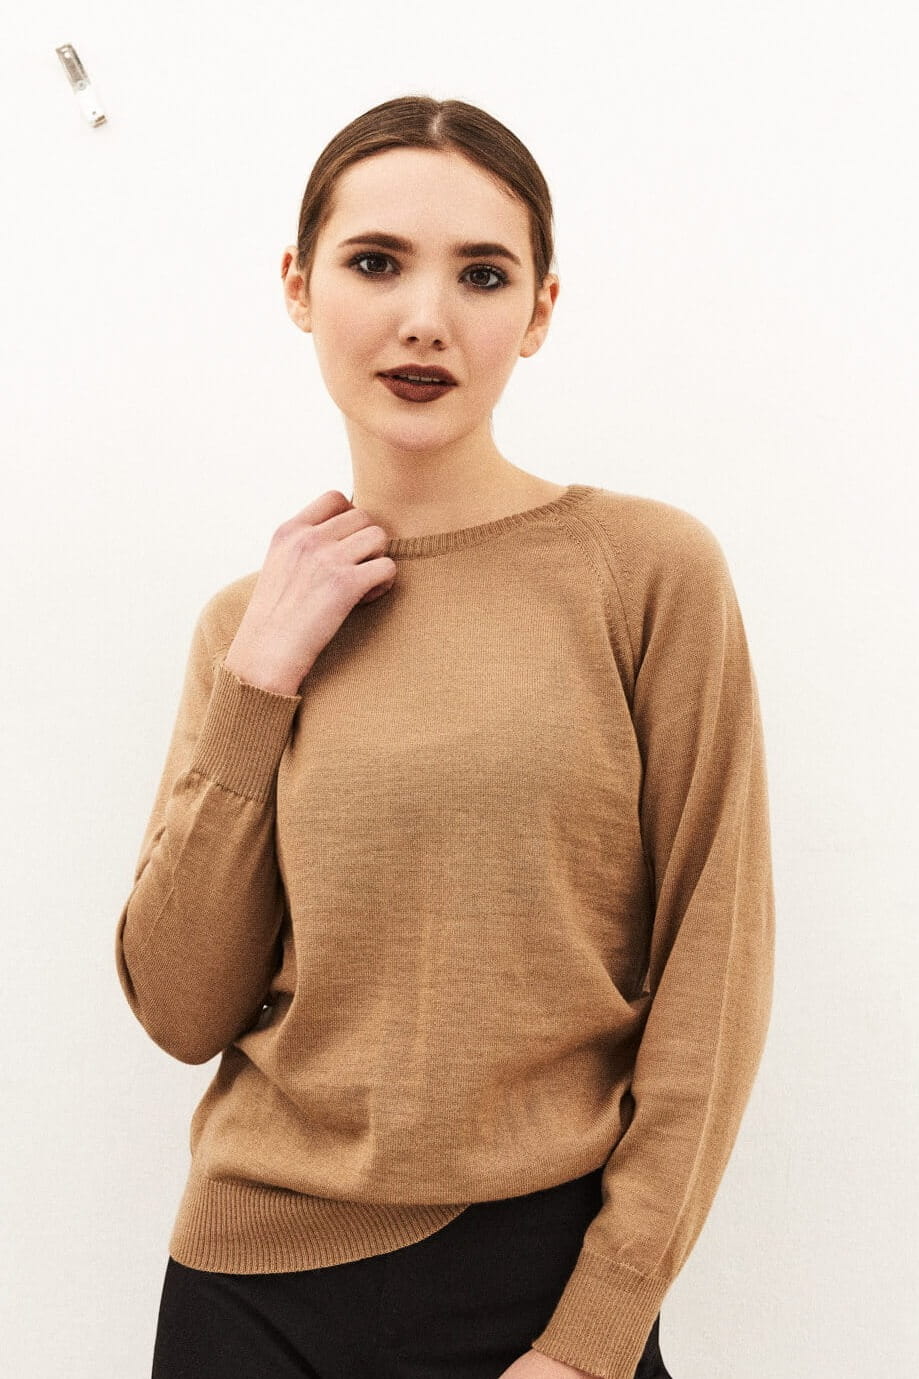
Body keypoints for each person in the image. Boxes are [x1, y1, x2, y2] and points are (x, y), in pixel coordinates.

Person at [114, 94, 775, 1379]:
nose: (425, 316)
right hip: (245, 1291)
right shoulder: (247, 625)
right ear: (299, 286)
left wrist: (594, 1335)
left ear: (538, 310)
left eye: (481, 274)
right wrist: (260, 682)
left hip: (536, 1279)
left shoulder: (645, 572)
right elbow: (182, 1007)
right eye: (375, 262)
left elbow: (716, 966)